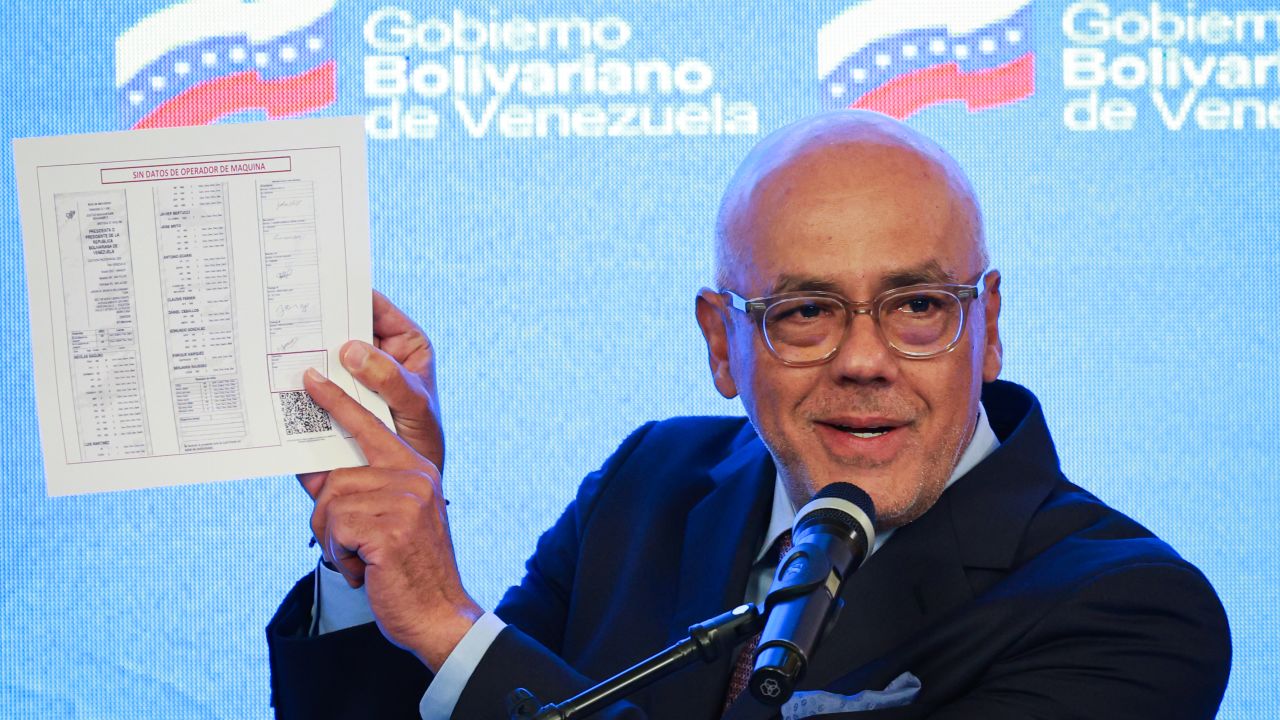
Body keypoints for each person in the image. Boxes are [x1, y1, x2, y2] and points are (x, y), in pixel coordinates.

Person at [266, 110, 1231, 719]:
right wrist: (373, 560)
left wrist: (448, 623)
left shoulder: (1134, 613)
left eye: (918, 306)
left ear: (989, 327)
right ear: (721, 345)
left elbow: (478, 667)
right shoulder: (646, 487)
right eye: (804, 312)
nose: (864, 360)